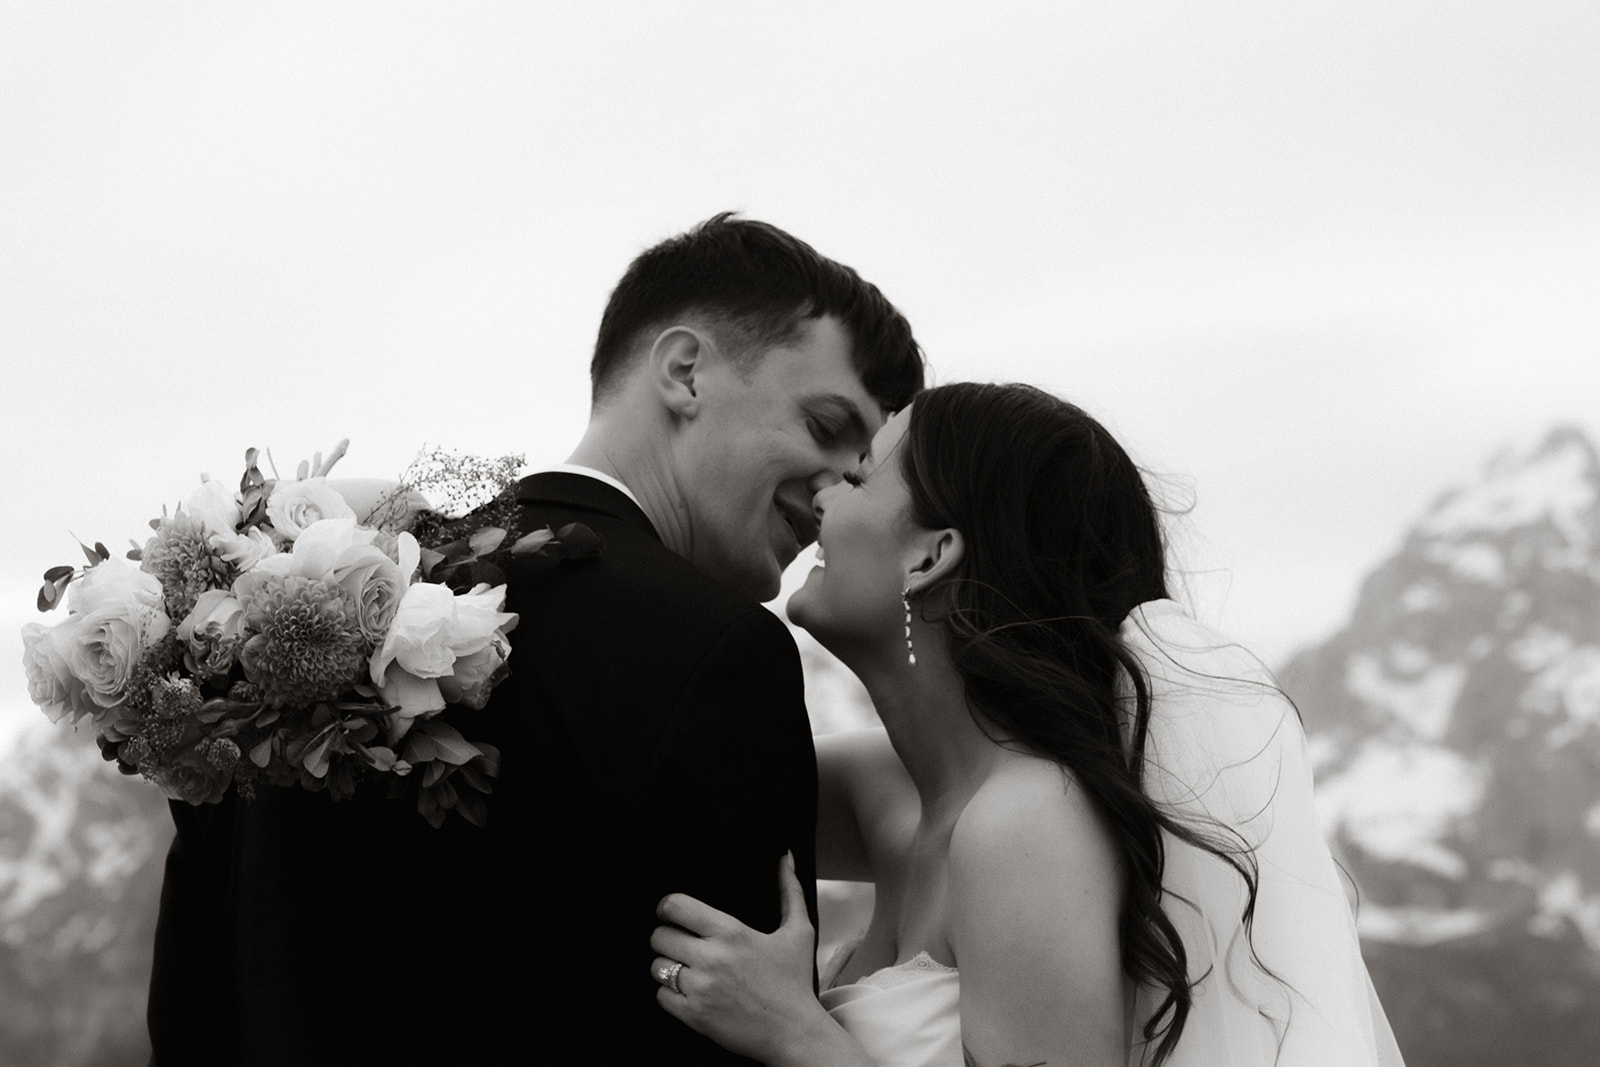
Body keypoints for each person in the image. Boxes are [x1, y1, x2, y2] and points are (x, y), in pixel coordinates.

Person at [144, 213, 925, 1064]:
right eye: (823, 427)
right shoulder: (720, 655)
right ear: (684, 371)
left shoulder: (283, 610)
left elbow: (192, 1009)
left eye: (858, 472)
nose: (832, 498)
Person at [648, 382, 1406, 1067]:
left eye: (857, 477)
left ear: (931, 556)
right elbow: (655, 776)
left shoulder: (1027, 822)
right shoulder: (887, 787)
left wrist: (797, 1034)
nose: (822, 497)